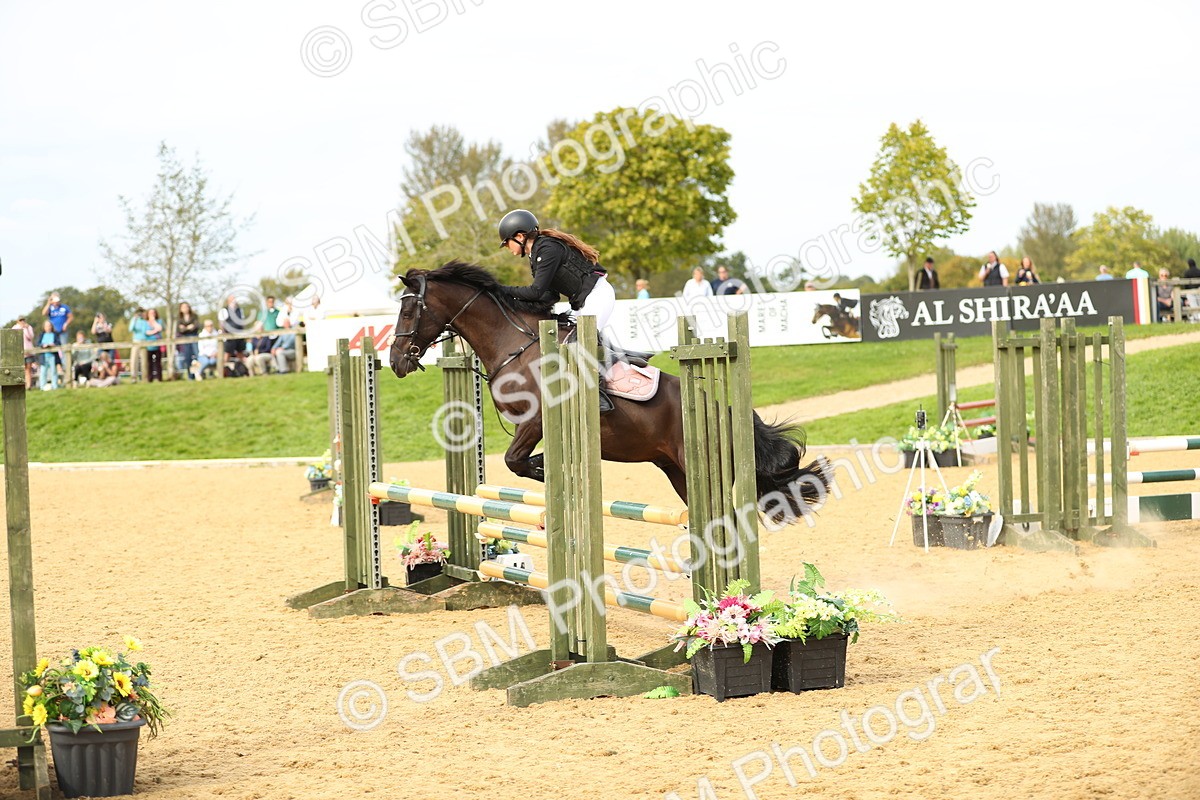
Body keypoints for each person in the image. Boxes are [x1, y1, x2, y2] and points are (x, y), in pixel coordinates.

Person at [496, 208, 616, 412]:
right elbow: (549, 296)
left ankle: (598, 395)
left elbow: (536, 291)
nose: (507, 247)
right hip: (585, 301)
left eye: (507, 242)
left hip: (598, 296)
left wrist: (502, 291)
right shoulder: (537, 253)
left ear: (520, 236)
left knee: (580, 343)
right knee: (566, 338)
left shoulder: (547, 249)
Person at [175, 302, 200, 380]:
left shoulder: (194, 316)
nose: (185, 308)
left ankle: (198, 374)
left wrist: (185, 328)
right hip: (185, 339)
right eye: (183, 307)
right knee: (187, 358)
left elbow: (196, 326)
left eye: (187, 307)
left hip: (194, 338)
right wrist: (188, 327)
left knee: (196, 356)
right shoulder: (179, 318)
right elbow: (179, 330)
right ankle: (190, 376)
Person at [219, 294, 248, 360]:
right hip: (229, 336)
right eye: (232, 299)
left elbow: (242, 322)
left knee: (240, 353)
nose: (234, 301)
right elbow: (222, 324)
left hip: (239, 335)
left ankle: (243, 366)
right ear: (228, 301)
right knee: (227, 353)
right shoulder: (224, 310)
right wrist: (224, 334)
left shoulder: (240, 310)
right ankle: (223, 366)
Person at [12, 317, 36, 389]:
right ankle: (22, 385)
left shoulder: (28, 327)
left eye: (23, 320)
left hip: (28, 351)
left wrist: (26, 329)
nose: (22, 321)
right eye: (20, 320)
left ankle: (28, 385)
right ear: (18, 321)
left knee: (28, 369)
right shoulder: (15, 328)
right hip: (19, 352)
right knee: (21, 369)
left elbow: (31, 337)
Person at [37, 321, 58, 390]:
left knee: (53, 371)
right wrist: (43, 345)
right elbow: (38, 343)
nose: (48, 327)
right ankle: (42, 386)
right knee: (43, 372)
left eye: (49, 326)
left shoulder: (55, 334)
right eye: (46, 326)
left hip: (52, 356)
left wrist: (54, 344)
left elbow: (58, 342)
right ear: (44, 327)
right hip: (44, 356)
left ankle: (55, 386)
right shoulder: (41, 335)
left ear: (51, 326)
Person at [145, 308, 164, 382]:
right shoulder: (145, 322)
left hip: (158, 345)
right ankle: (150, 379)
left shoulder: (159, 321)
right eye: (150, 313)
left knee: (158, 362)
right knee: (149, 363)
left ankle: (160, 378)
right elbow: (146, 332)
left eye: (153, 313)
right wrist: (155, 331)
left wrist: (154, 322)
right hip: (149, 345)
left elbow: (160, 328)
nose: (152, 314)